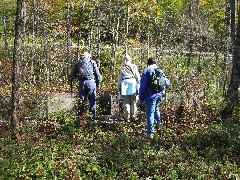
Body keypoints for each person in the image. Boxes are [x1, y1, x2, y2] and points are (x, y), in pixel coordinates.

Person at [138, 57, 170, 139]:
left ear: (148, 63)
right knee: (156, 109)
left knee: (150, 114)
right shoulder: (159, 70)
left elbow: (142, 87)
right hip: (160, 95)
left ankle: (150, 133)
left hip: (150, 96)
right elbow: (167, 83)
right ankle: (159, 126)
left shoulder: (147, 71)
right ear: (155, 63)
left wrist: (140, 98)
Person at [69, 52, 102, 127]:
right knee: (92, 101)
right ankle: (92, 120)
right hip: (91, 83)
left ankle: (81, 120)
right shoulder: (92, 62)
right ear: (89, 57)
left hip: (82, 83)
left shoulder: (78, 63)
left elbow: (73, 75)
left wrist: (70, 79)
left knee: (81, 101)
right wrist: (98, 84)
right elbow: (97, 74)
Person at [118, 54, 140, 122]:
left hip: (124, 85)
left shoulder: (122, 68)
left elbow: (120, 78)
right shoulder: (134, 66)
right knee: (133, 101)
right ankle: (134, 116)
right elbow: (137, 76)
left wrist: (119, 86)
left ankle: (127, 117)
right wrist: (139, 83)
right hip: (133, 84)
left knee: (126, 101)